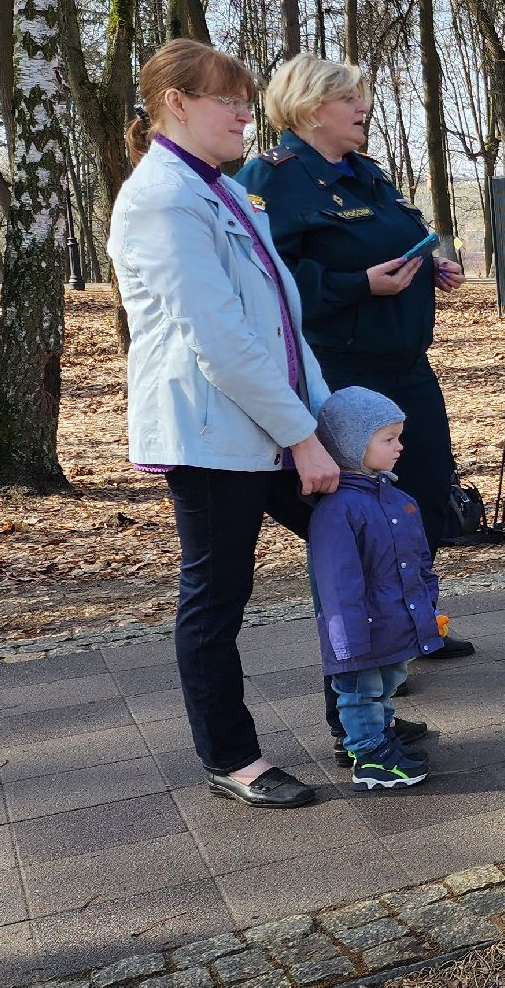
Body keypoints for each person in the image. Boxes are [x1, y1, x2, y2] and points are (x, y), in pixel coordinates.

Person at [111, 40, 335, 810]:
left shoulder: (230, 191)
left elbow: (282, 322)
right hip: (212, 435)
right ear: (176, 104)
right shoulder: (161, 199)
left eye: (246, 101)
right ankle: (231, 758)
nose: (247, 114)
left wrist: (322, 420)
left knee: (354, 542)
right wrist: (302, 435)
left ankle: (361, 717)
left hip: (274, 421)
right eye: (227, 101)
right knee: (217, 595)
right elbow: (218, 338)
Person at [238, 58, 482, 556]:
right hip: (342, 370)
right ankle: (367, 628)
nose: (363, 107)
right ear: (309, 108)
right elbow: (265, 282)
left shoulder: (367, 172)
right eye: (348, 98)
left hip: (409, 368)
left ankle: (416, 626)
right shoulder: (268, 178)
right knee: (361, 508)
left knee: (426, 496)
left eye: (361, 97)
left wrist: (428, 270)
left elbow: (387, 243)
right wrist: (357, 286)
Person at [307, 387, 446, 790]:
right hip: (362, 629)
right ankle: (369, 756)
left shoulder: (395, 498)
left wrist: (425, 603)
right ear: (351, 445)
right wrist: (348, 639)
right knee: (360, 692)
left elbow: (417, 560)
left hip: (392, 621)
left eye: (398, 437)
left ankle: (382, 740)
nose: (399, 447)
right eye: (388, 439)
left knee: (385, 687)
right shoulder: (338, 509)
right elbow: (338, 582)